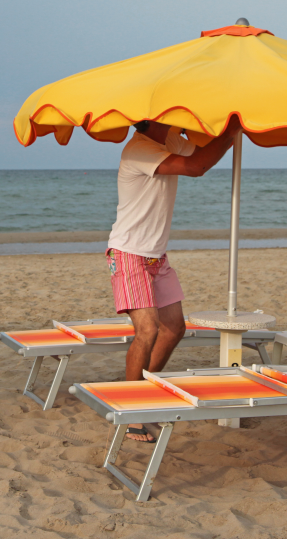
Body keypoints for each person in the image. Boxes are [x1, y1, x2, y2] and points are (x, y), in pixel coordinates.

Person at [106, 118, 240, 442]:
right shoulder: (138, 149)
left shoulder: (169, 141)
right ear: (152, 118)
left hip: (156, 257)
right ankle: (130, 410)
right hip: (128, 254)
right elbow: (197, 167)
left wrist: (221, 129)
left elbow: (203, 152)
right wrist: (233, 130)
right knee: (148, 330)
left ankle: (144, 389)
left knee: (174, 328)